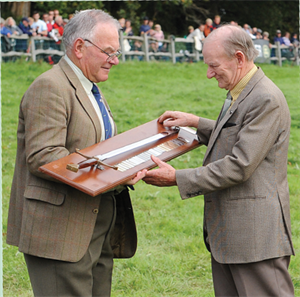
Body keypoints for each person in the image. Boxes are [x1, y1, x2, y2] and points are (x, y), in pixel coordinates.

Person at [139, 24, 295, 297]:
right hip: (232, 236)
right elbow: (239, 132)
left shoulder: (265, 98)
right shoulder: (243, 89)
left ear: (238, 58)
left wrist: (177, 178)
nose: (209, 74)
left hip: (254, 238)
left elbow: (240, 165)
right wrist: (195, 122)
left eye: (213, 65)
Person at [6, 9, 139, 297]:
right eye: (108, 52)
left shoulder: (89, 86)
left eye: (116, 52)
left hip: (96, 223)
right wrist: (116, 172)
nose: (115, 60)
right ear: (80, 47)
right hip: (60, 232)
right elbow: (45, 157)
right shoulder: (50, 86)